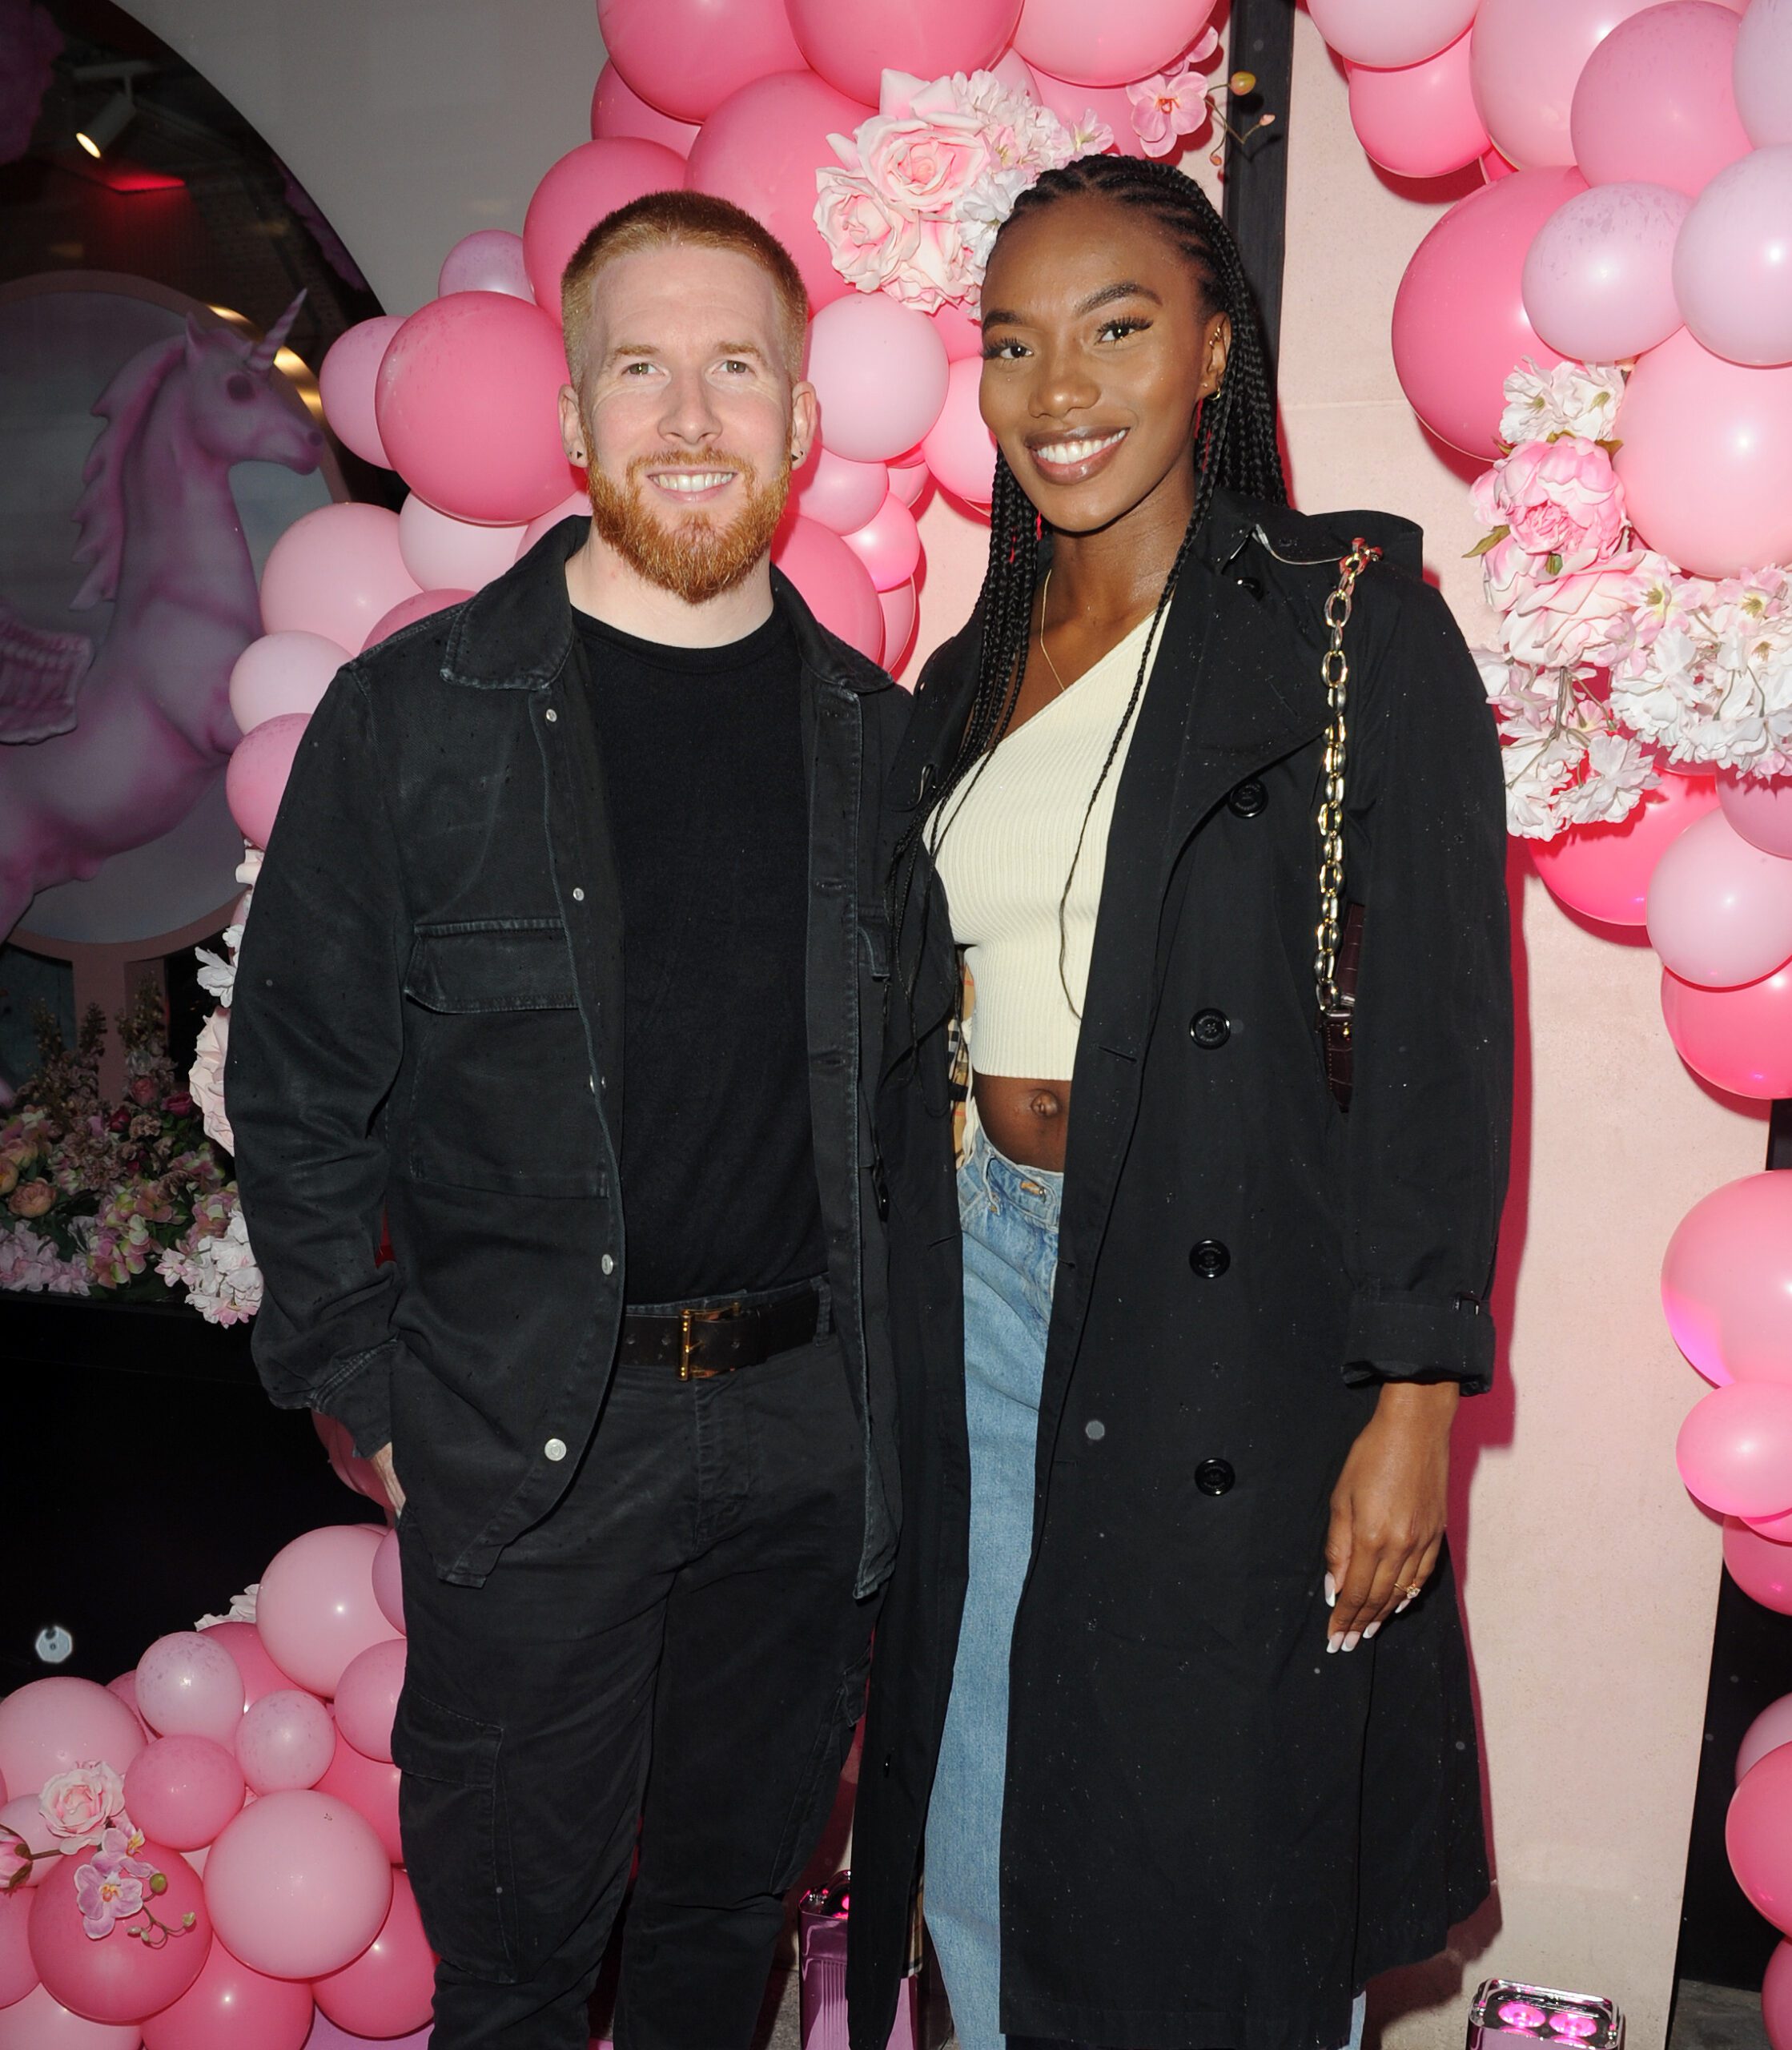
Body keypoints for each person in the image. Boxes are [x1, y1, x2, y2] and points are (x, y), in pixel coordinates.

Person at [226, 191, 910, 2050]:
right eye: (641, 367)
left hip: (799, 1439)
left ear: (801, 422)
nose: (691, 415)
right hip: (527, 1431)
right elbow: (292, 1082)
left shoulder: (880, 744)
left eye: (735, 367)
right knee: (517, 1963)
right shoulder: (413, 721)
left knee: (724, 1922)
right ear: (575, 425)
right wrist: (361, 1385)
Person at [847, 155, 1513, 2050]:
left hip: (1228, 1317)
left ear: (1215, 346)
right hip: (983, 1281)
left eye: (1117, 327)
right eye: (1012, 343)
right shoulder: (964, 678)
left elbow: (1443, 1038)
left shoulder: (1341, 615)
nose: (1059, 387)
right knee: (972, 1802)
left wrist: (1412, 1403)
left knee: (1218, 1853)